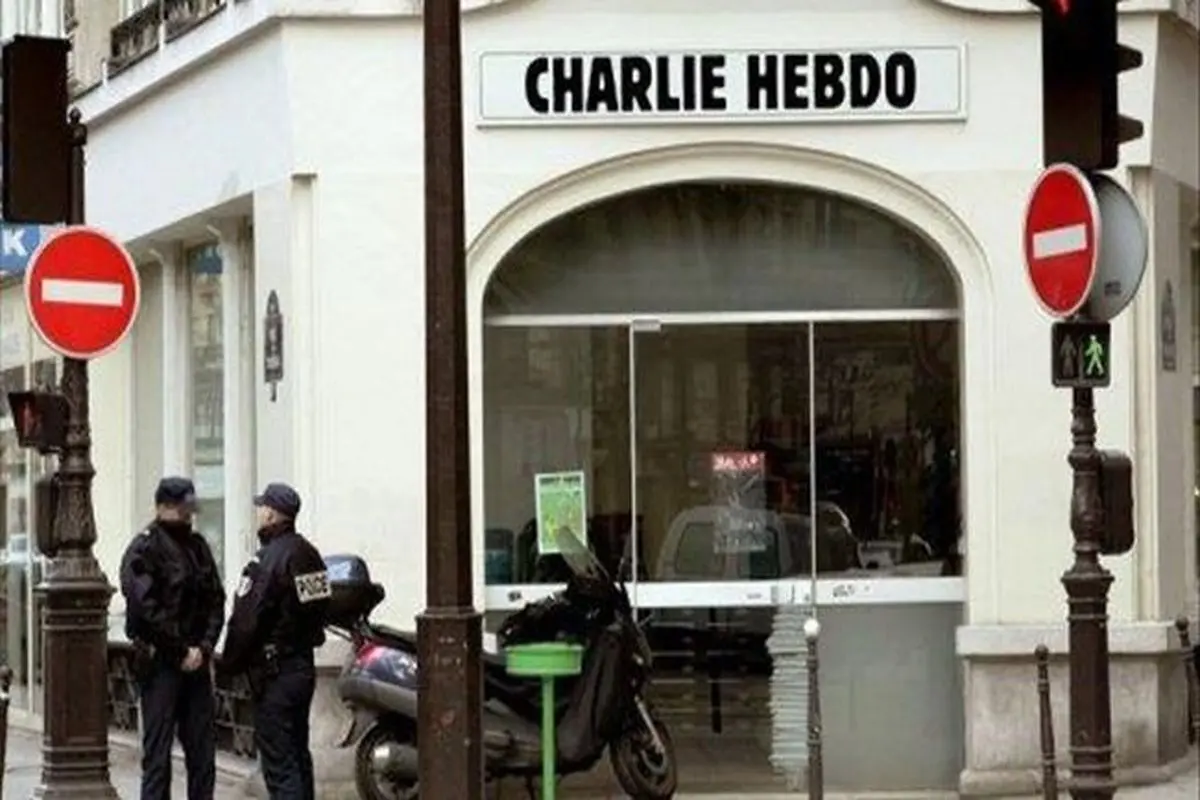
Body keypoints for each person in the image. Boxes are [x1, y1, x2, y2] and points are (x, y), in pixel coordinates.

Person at [119, 476, 226, 800]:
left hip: (195, 663)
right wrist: (180, 650)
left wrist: (204, 647)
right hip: (160, 663)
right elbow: (145, 609)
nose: (188, 516)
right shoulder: (144, 548)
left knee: (203, 755)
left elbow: (215, 601)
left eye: (189, 510)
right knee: (158, 757)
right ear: (162, 507)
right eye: (182, 509)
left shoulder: (198, 547)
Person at [222, 482, 330, 800]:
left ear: (270, 514)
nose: (258, 513)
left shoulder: (266, 561)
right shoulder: (311, 555)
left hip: (274, 675)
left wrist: (228, 665)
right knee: (298, 755)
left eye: (261, 507)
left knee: (280, 766)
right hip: (301, 667)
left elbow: (245, 621)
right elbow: (320, 609)